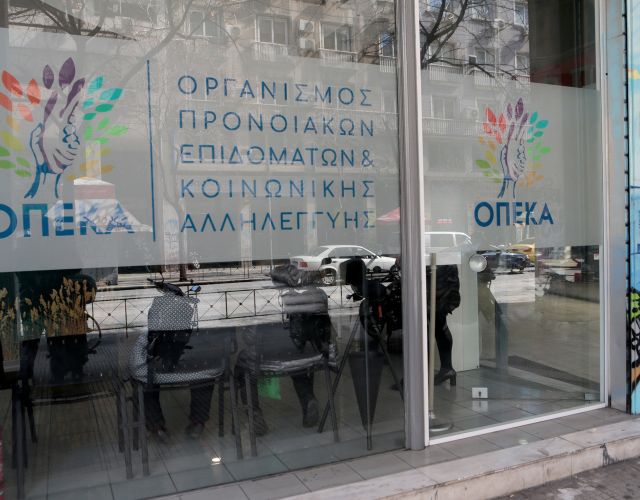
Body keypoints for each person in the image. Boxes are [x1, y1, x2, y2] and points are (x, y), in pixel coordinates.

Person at [427, 264, 461, 386]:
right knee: (438, 327)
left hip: (439, 285)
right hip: (436, 282)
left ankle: (446, 369)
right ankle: (447, 369)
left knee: (438, 326)